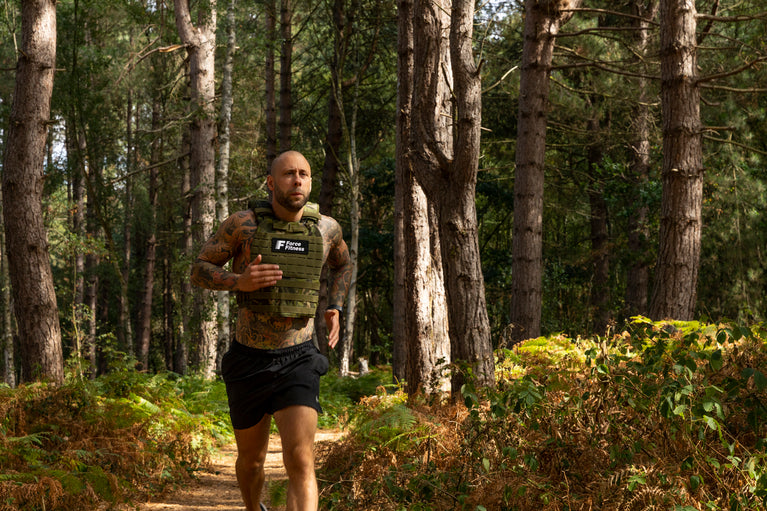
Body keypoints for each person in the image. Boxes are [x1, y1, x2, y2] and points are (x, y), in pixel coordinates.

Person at [190, 150, 351, 511]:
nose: (297, 180)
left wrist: (335, 307)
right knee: (251, 462)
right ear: (270, 182)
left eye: (304, 174)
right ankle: (252, 507)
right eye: (289, 174)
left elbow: (343, 264)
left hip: (299, 356)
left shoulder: (326, 228)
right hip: (249, 358)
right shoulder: (242, 225)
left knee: (300, 458)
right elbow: (199, 269)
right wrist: (238, 281)